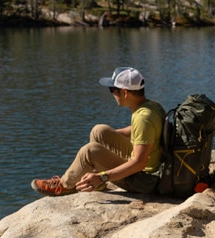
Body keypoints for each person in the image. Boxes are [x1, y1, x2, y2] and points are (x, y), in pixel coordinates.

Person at [31, 67, 166, 196]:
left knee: (90, 151)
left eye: (112, 89)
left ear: (125, 92)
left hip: (145, 180)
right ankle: (94, 180)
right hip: (146, 167)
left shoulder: (143, 117)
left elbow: (139, 163)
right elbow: (142, 131)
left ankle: (65, 185)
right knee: (99, 131)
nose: (112, 94)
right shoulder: (152, 106)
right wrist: (110, 136)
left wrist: (103, 177)